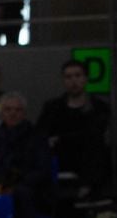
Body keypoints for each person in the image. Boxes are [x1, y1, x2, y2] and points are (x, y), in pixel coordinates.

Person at [37, 60, 111, 197]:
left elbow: (93, 133)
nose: (73, 81)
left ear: (86, 78)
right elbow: (42, 132)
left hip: (86, 157)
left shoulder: (99, 107)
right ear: (63, 80)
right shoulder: (52, 108)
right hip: (59, 156)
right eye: (69, 77)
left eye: (77, 76)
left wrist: (61, 139)